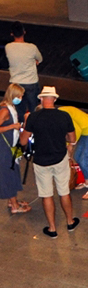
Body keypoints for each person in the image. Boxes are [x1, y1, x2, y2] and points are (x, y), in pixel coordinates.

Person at [19, 86, 78, 238]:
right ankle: (70, 222)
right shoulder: (64, 116)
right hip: (60, 159)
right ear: (55, 100)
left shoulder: (34, 117)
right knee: (64, 192)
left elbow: (23, 140)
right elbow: (72, 138)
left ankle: (52, 229)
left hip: (41, 161)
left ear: (41, 99)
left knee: (46, 195)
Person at [59, 105, 88, 200]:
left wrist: (71, 144)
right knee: (78, 157)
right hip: (85, 131)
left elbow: (75, 129)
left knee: (85, 161)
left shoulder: (61, 116)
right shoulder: (58, 113)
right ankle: (87, 181)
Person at [0, 84, 29, 214]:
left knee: (15, 170)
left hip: (13, 145)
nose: (21, 98)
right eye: (19, 96)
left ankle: (12, 200)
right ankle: (14, 205)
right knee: (9, 174)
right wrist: (12, 126)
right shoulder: (5, 111)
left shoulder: (11, 108)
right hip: (5, 147)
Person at [5, 21, 43, 118]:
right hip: (31, 83)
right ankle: (32, 130)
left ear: (12, 34)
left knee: (18, 111)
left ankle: (20, 128)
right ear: (24, 32)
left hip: (15, 83)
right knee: (33, 110)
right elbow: (40, 59)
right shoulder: (32, 47)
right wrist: (35, 61)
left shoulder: (8, 47)